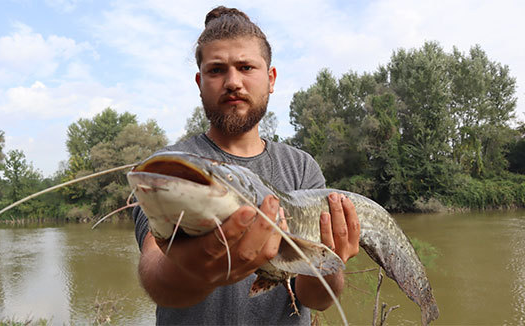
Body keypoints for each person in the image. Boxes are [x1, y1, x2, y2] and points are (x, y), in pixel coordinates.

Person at [133, 6, 360, 325]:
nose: (232, 82)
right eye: (216, 70)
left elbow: (316, 299)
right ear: (200, 82)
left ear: (270, 79)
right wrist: (196, 271)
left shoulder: (301, 167)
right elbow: (157, 278)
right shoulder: (166, 168)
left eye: (245, 67)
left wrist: (331, 262)